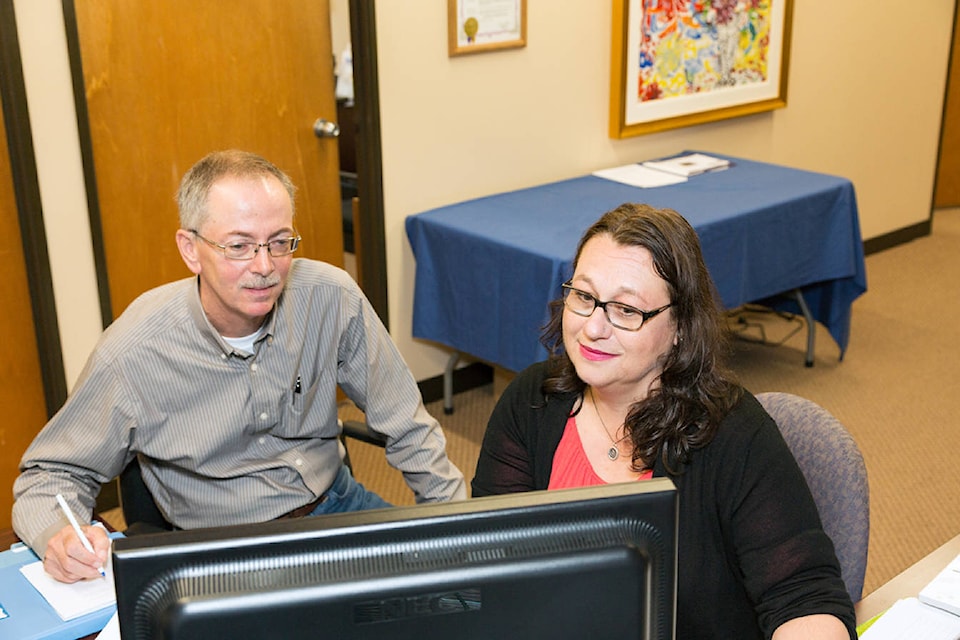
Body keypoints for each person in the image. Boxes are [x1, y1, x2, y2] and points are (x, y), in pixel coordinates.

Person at [14, 150, 466, 583]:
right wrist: (60, 535)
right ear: (191, 249)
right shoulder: (134, 351)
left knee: (457, 602)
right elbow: (49, 475)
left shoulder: (331, 297)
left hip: (334, 507)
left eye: (279, 242)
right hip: (220, 547)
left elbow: (407, 424)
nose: (265, 266)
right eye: (239, 246)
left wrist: (460, 529)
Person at [472, 203, 856, 639]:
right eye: (584, 297)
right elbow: (488, 562)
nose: (593, 328)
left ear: (680, 328)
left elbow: (806, 602)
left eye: (626, 309)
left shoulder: (733, 434)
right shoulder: (533, 401)